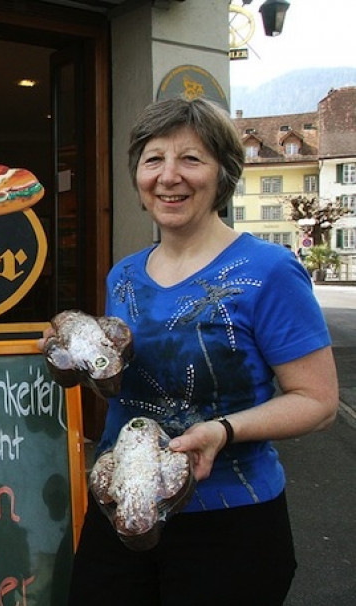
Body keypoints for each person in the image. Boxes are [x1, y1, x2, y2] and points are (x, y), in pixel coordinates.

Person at [41, 97, 339, 605]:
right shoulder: (126, 274)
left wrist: (224, 431)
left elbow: (317, 400)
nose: (169, 176)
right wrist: (74, 359)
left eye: (191, 159)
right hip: (123, 508)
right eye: (153, 159)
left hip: (230, 523)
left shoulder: (268, 271)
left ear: (223, 174)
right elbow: (122, 383)